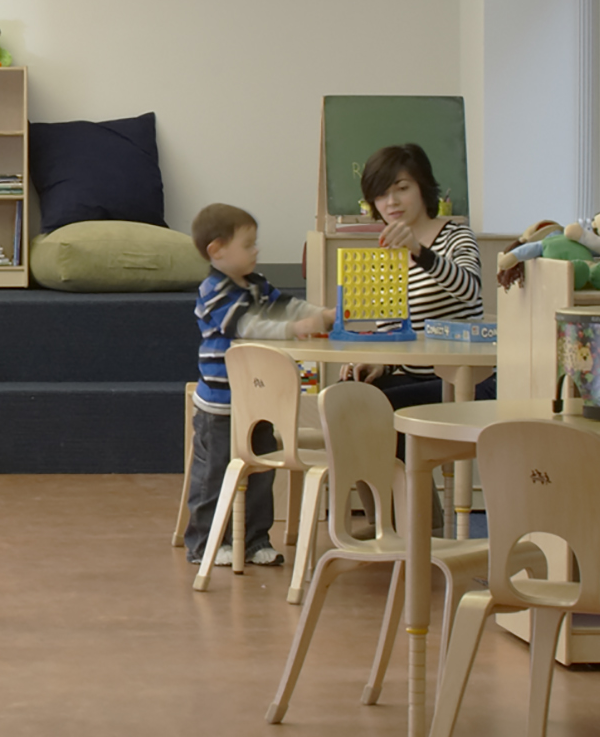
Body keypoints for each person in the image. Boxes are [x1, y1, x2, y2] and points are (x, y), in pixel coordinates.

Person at [183, 201, 330, 569]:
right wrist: (293, 330)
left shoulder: (257, 284)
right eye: (248, 244)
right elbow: (246, 326)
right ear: (217, 250)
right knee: (215, 474)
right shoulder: (214, 291)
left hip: (257, 401)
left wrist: (320, 314)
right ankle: (206, 542)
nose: (256, 250)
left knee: (262, 470)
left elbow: (287, 306)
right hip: (221, 406)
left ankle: (254, 540)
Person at [349, 143, 496, 408]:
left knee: (374, 406)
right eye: (381, 194)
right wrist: (380, 364)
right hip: (415, 378)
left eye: (402, 188)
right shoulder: (386, 256)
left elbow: (469, 289)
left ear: (422, 188)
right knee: (345, 395)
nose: (391, 202)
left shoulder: (456, 236)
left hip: (465, 381)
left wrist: (419, 251)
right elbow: (393, 333)